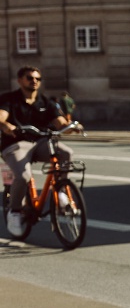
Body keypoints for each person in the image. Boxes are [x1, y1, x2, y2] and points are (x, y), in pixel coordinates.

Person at [1, 67, 82, 237]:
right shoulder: (9, 99)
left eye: (38, 78)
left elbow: (59, 122)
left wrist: (71, 127)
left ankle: (61, 192)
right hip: (17, 143)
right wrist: (6, 126)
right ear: (20, 80)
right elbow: (1, 116)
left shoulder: (45, 102)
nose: (34, 81)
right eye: (30, 78)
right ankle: (15, 211)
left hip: (40, 142)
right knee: (23, 176)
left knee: (65, 153)